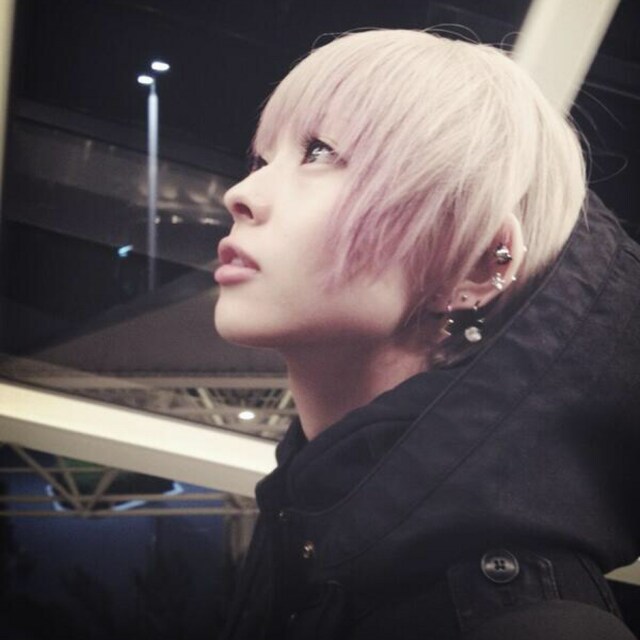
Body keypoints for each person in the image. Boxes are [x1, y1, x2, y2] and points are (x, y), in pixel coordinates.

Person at [213, 29, 640, 639]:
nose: (241, 194)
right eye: (263, 159)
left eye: (320, 153)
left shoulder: (535, 629)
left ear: (479, 264)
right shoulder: (309, 523)